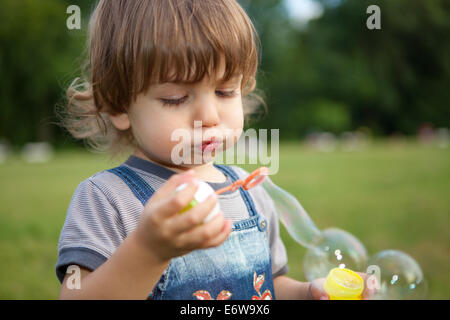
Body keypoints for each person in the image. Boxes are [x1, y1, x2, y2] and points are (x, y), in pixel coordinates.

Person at [56, 0, 372, 300]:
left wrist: (307, 294)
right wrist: (148, 251)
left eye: (224, 91)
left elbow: (269, 286)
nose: (209, 116)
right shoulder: (107, 199)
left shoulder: (253, 194)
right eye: (176, 98)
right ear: (118, 105)